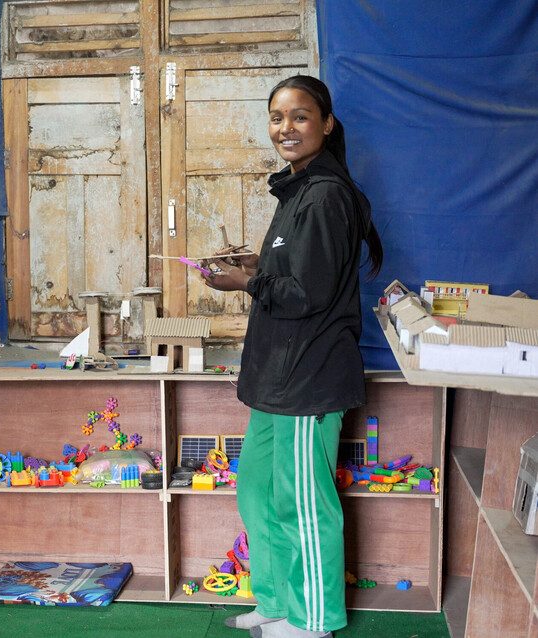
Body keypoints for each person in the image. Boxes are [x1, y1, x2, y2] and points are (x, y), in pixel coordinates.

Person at [202, 76, 383, 638]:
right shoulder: (298, 189)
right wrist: (255, 265)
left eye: (300, 116)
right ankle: (277, 601)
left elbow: (309, 293)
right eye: (277, 117)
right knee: (257, 491)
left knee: (304, 503)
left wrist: (244, 284)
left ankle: (313, 621)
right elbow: (296, 272)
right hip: (275, 378)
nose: (286, 127)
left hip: (310, 377)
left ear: (325, 124)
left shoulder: (327, 194)